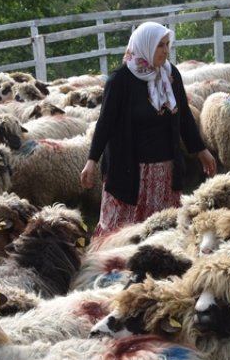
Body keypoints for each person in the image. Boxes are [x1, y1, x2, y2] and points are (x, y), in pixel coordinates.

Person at [80, 21, 217, 239]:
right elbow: (105, 123)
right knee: (120, 235)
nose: (165, 50)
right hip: (129, 171)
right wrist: (92, 160)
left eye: (166, 44)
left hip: (164, 172)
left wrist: (201, 150)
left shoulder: (170, 76)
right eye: (160, 45)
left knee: (162, 233)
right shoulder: (120, 81)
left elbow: (183, 118)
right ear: (145, 46)